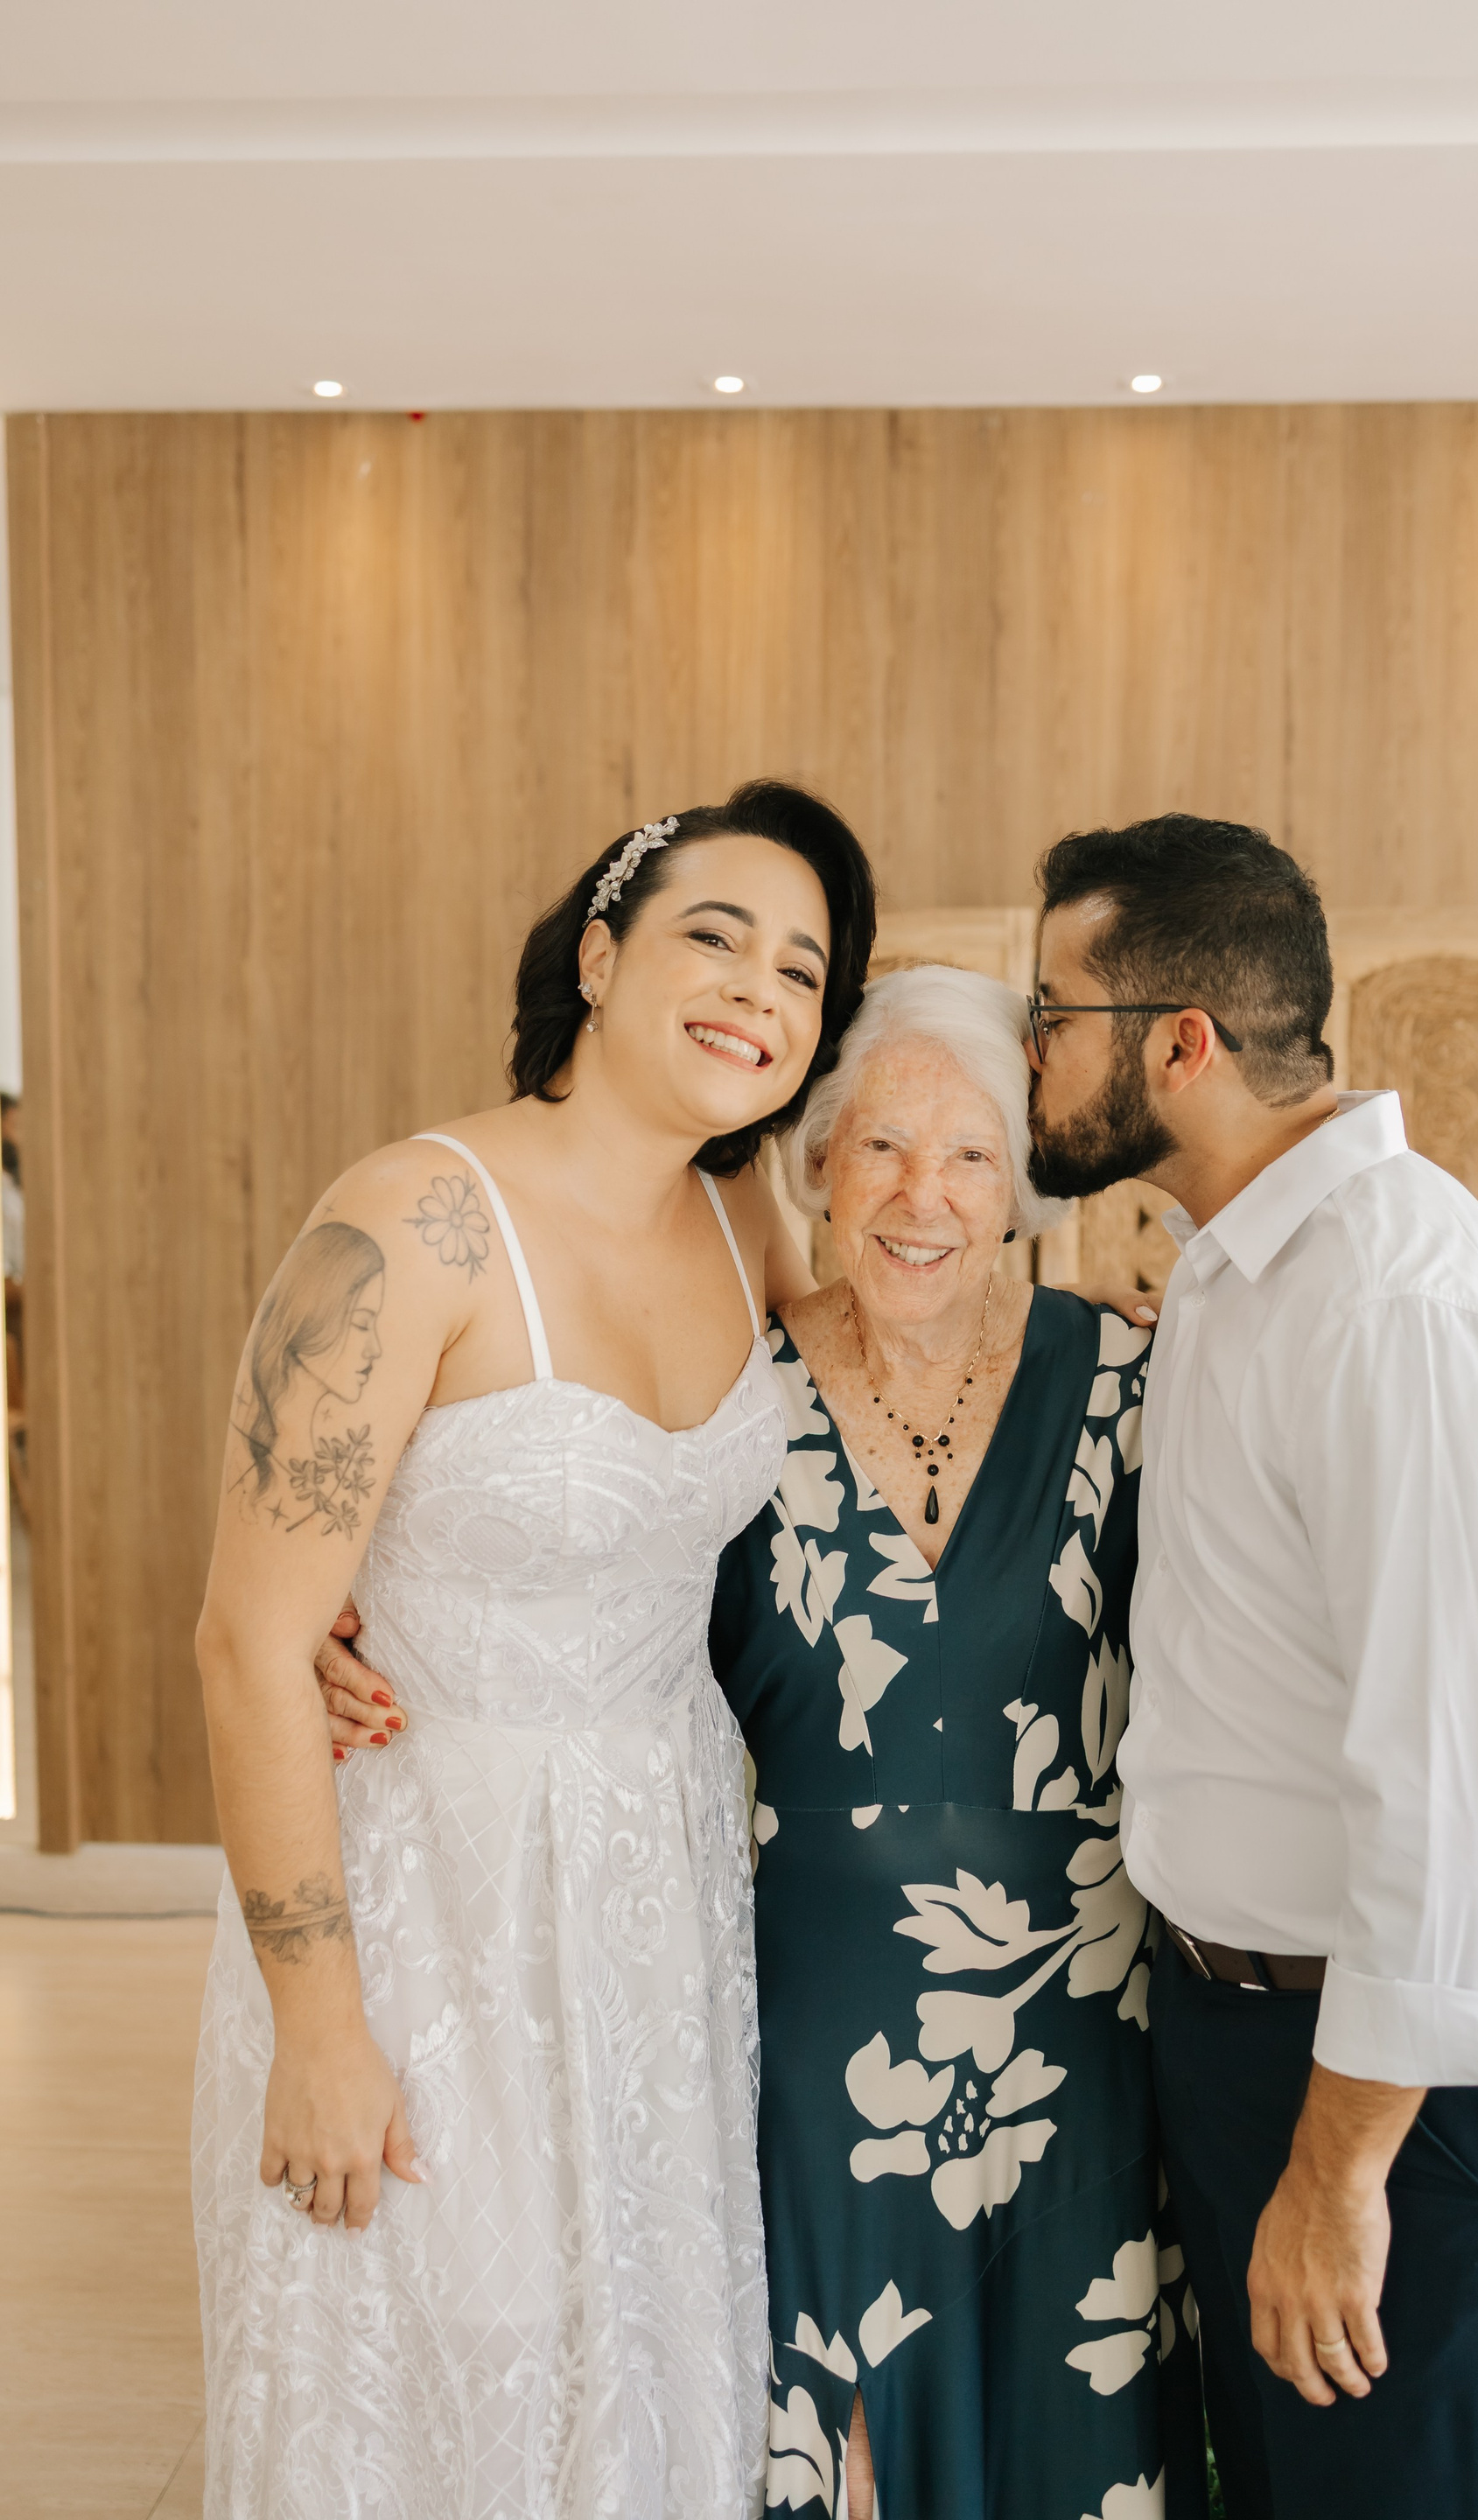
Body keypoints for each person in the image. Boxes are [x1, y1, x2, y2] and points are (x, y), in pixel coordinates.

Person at [321, 965, 1206, 2520]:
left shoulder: (1137, 1383)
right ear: (817, 1163)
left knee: (1078, 2451)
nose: (923, 1195)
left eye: (971, 1155)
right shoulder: (734, 1403)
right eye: (882, 1147)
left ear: (1022, 1187)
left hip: (1091, 2050)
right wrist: (352, 1625)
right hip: (811, 2053)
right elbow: (562, 1584)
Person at [193, 780, 876, 2520]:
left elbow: (903, 1364)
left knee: (632, 2364)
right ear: (599, 955)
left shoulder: (748, 1221)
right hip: (434, 1885)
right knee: (436, 2349)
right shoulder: (411, 1220)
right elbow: (249, 1642)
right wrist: (319, 2026)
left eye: (803, 971)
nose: (760, 990)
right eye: (716, 937)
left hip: (656, 1886)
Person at [1026, 813, 1478, 2520]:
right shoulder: (1236, 1269)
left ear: (1179, 1043)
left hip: (1415, 2079)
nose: (1032, 1056)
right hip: (1266, 2035)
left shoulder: (1401, 1306)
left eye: (1053, 1015)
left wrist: (1337, 2169)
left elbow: (1452, 1797)